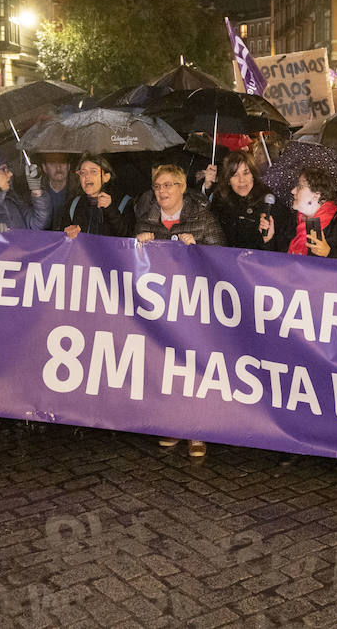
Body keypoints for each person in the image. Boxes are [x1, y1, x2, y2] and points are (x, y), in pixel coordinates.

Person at [135, 164, 225, 459]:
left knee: (194, 369)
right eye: (158, 186)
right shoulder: (146, 220)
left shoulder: (202, 218)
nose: (163, 191)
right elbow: (132, 266)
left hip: (194, 308)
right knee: (166, 367)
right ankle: (174, 423)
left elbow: (224, 258)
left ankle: (197, 430)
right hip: (161, 310)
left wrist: (198, 248)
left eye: (169, 185)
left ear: (183, 187)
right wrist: (139, 245)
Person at [263, 166, 337, 260]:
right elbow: (278, 260)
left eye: (300, 187)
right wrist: (269, 239)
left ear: (316, 195)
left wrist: (329, 253)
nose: (293, 191)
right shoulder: (294, 220)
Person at [206, 151, 291, 251]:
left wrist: (268, 240)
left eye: (246, 173)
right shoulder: (221, 199)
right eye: (235, 175)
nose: (241, 180)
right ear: (228, 180)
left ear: (253, 176)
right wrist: (207, 185)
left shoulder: (269, 204)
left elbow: (283, 247)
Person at [135, 164, 226, 248]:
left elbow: (220, 257)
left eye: (167, 185)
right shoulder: (144, 223)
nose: (161, 190)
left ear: (182, 187)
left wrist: (196, 247)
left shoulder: (206, 220)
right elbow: (132, 261)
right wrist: (136, 245)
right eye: (157, 186)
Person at [57, 153, 135, 238]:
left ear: (106, 177)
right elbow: (61, 238)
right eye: (83, 173)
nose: (87, 176)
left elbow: (129, 237)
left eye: (93, 171)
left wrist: (111, 209)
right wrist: (67, 233)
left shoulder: (123, 202)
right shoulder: (74, 204)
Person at [37, 153, 76, 229]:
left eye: (63, 162)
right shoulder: (36, 193)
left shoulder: (79, 190)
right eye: (52, 163)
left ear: (69, 166)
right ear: (44, 168)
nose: (58, 168)